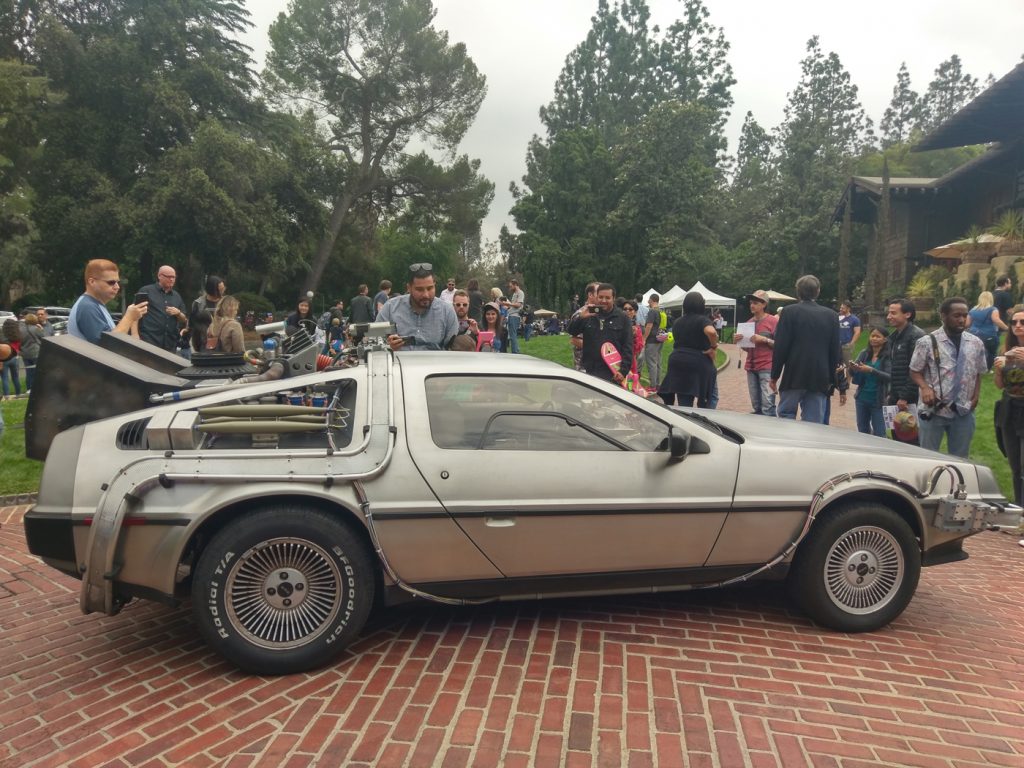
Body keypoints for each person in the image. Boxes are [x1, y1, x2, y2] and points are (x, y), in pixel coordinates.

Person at [909, 297, 986, 458]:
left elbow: (978, 372)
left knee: (960, 459)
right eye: (956, 315)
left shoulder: (976, 343)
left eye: (965, 315)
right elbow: (914, 371)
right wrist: (924, 387)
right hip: (934, 410)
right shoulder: (926, 342)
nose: (962, 319)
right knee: (927, 458)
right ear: (943, 316)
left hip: (963, 411)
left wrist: (976, 397)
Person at [770, 275, 840, 423]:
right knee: (813, 422)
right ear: (818, 291)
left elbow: (781, 346)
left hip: (794, 373)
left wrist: (774, 375)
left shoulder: (789, 312)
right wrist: (832, 379)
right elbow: (835, 350)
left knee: (786, 417)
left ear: (798, 292)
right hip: (820, 375)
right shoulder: (832, 316)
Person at [377, 262, 458, 350]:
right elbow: (375, 342)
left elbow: (453, 350)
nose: (426, 295)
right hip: (400, 362)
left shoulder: (447, 312)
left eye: (430, 288)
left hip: (436, 363)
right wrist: (388, 347)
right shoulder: (390, 308)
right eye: (419, 289)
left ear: (435, 285)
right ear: (409, 288)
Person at [68, 258, 148, 345]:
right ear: (92, 282)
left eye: (117, 282)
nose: (117, 287)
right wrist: (129, 318)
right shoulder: (87, 307)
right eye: (111, 282)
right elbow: (108, 345)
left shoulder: (95, 305)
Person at [658, 291, 717, 407]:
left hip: (677, 361)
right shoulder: (703, 320)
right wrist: (713, 347)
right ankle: (706, 420)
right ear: (701, 305)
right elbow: (712, 332)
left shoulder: (677, 322)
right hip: (698, 361)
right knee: (710, 394)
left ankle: (685, 420)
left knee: (684, 398)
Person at [567, 283, 633, 383]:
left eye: (607, 298)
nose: (604, 301)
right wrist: (581, 318)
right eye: (601, 297)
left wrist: (623, 371)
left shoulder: (623, 318)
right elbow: (572, 331)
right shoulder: (589, 314)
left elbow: (627, 347)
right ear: (596, 297)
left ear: (613, 298)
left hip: (612, 372)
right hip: (590, 371)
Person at [993, 305, 1024, 504]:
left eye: (1022, 322)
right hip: (1009, 409)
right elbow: (1000, 385)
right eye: (1014, 322)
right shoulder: (1007, 350)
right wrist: (997, 370)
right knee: (1015, 465)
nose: (1017, 326)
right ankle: (1020, 507)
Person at [885, 298, 926, 444]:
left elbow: (917, 369)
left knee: (910, 438)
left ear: (907, 314)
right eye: (889, 313)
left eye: (893, 313)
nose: (889, 316)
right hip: (896, 395)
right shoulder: (894, 337)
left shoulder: (916, 337)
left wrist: (905, 396)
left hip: (908, 399)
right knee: (896, 436)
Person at [733, 290, 778, 416]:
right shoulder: (748, 323)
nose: (752, 305)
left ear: (764, 304)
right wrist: (739, 341)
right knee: (756, 406)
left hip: (767, 367)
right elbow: (747, 348)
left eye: (756, 303)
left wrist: (764, 339)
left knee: (768, 405)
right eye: (751, 303)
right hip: (751, 368)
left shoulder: (773, 321)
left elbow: (780, 345)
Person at [850, 326, 892, 437]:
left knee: (879, 433)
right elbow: (853, 373)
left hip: (878, 400)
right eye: (872, 336)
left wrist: (871, 370)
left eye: (878, 336)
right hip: (862, 398)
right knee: (862, 430)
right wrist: (853, 368)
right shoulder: (864, 353)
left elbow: (889, 376)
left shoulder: (888, 357)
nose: (874, 338)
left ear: (885, 339)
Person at [137, 265, 187, 352]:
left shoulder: (177, 296)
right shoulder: (146, 291)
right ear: (160, 276)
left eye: (173, 277)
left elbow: (184, 320)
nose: (171, 279)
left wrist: (178, 313)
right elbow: (134, 313)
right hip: (149, 340)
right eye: (168, 277)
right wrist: (135, 335)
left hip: (170, 343)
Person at [966, 290, 1007, 370]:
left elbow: (967, 324)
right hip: (989, 335)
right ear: (991, 299)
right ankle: (987, 368)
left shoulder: (972, 310)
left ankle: (975, 367)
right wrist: (1007, 328)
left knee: (975, 352)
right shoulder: (993, 309)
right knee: (991, 352)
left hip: (973, 334)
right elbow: (996, 320)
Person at [189, 275, 225, 353]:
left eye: (223, 288)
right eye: (220, 289)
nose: (223, 291)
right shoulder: (198, 304)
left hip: (222, 344)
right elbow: (192, 325)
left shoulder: (225, 303)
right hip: (202, 344)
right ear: (212, 290)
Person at [642, 293, 666, 390]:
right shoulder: (661, 310)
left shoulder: (652, 311)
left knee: (651, 362)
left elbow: (649, 325)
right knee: (658, 362)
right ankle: (658, 383)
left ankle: (652, 386)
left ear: (651, 300)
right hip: (661, 338)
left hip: (652, 339)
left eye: (649, 299)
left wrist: (644, 338)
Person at [19, 313, 45, 391]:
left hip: (25, 353)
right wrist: (42, 329)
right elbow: (44, 337)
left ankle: (29, 388)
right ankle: (38, 388)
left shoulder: (21, 330)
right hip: (36, 352)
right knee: (37, 371)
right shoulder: (36, 329)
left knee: (29, 372)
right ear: (34, 320)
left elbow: (19, 342)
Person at [621, 300, 645, 379]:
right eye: (625, 309)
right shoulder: (617, 324)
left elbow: (638, 348)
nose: (627, 311)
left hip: (629, 361)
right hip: (614, 359)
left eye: (630, 309)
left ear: (635, 312)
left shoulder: (636, 329)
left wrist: (634, 336)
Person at [501, 278, 525, 354]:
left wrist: (508, 304)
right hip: (511, 315)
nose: (510, 288)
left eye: (511, 286)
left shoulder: (520, 293)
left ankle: (515, 352)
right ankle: (516, 350)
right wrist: (507, 306)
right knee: (512, 335)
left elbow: (519, 305)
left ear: (515, 285)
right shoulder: (515, 294)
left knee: (513, 335)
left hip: (515, 316)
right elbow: (513, 306)